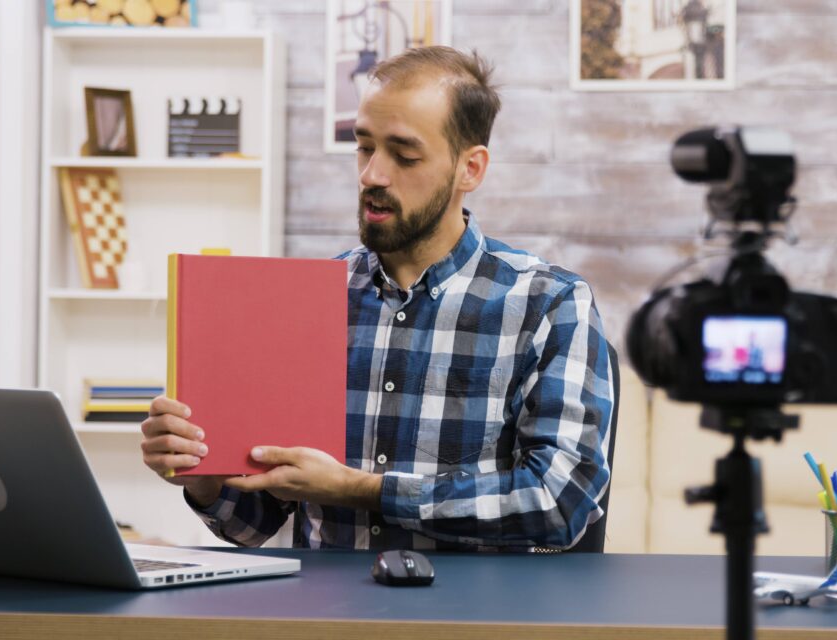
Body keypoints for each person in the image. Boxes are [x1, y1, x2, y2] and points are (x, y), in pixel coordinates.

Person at [141, 46, 615, 551]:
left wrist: (361, 490)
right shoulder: (310, 299)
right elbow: (253, 523)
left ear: (470, 169)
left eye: (404, 155)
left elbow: (559, 503)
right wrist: (202, 477)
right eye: (365, 148)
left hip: (473, 620)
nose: (372, 176)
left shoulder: (550, 304)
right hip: (327, 621)